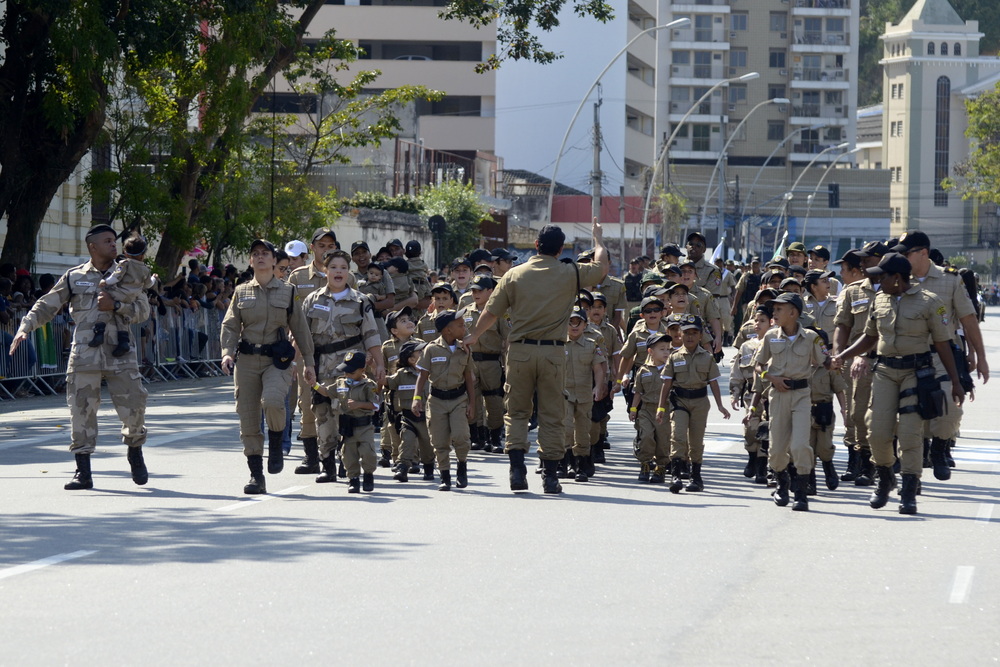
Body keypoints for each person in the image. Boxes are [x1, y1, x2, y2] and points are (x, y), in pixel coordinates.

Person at [464, 220, 609, 494]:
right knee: (552, 414)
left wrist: (473, 336)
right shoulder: (570, 273)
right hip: (554, 352)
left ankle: (517, 470)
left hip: (519, 352)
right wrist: (598, 240)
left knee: (517, 412)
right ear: (560, 249)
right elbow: (602, 267)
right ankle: (551, 477)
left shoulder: (514, 274)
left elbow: (491, 312)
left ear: (536, 246)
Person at [11, 224, 152, 490]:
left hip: (121, 354)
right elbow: (48, 304)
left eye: (114, 241)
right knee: (81, 412)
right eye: (108, 241)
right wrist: (25, 326)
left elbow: (143, 311)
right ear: (93, 247)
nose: (114, 245)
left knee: (134, 407)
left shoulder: (128, 272)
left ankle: (135, 452)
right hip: (85, 355)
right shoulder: (75, 276)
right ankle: (83, 471)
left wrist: (117, 306)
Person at [831, 253, 965, 515]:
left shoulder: (929, 302)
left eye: (883, 276)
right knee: (877, 431)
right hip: (885, 372)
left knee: (910, 433)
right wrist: (842, 356)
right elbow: (869, 337)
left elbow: (943, 344)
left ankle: (909, 487)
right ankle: (884, 477)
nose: (878, 280)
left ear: (897, 277)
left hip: (916, 373)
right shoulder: (880, 300)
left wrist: (956, 382)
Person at [220, 239, 315, 494]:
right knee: (248, 419)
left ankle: (275, 444)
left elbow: (300, 328)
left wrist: (309, 362)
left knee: (273, 401)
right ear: (251, 261)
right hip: (248, 360)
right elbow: (229, 325)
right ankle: (256, 476)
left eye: (266, 254)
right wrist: (227, 353)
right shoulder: (241, 291)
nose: (260, 257)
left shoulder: (287, 291)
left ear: (274, 261)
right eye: (255, 254)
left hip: (277, 360)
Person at [892, 231, 989, 477]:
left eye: (907, 252)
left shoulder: (950, 280)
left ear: (923, 253)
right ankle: (914, 465)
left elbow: (968, 319)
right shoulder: (899, 279)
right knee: (911, 415)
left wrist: (980, 357)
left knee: (950, 408)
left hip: (943, 355)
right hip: (909, 355)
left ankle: (940, 447)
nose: (902, 257)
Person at [303, 249, 384, 484]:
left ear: (348, 272)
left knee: (347, 415)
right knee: (323, 416)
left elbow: (371, 335)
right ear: (325, 271)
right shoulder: (313, 299)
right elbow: (302, 336)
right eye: (334, 267)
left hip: (351, 369)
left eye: (343, 268)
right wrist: (300, 364)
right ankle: (327, 464)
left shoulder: (360, 301)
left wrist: (379, 364)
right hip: (320, 368)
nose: (338, 272)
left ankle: (346, 462)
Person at [751, 292, 837, 511]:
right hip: (778, 396)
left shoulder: (811, 337)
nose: (774, 313)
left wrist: (835, 362)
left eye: (779, 309)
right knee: (777, 448)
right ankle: (781, 483)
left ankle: (801, 491)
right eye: (774, 309)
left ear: (793, 312)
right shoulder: (770, 337)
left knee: (800, 445)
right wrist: (770, 378)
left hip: (801, 396)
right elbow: (758, 366)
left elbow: (824, 360)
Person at [655, 314, 730, 493]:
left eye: (694, 333)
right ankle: (676, 476)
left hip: (699, 402)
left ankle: (696, 476)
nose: (690, 337)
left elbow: (713, 382)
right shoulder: (674, 357)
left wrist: (720, 405)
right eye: (686, 333)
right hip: (679, 401)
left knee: (696, 441)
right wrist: (660, 406)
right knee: (678, 436)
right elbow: (666, 383)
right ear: (680, 334)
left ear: (700, 335)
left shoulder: (707, 357)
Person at [287, 227, 339, 474]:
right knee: (307, 402)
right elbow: (288, 315)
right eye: (322, 246)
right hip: (308, 351)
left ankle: (337, 455)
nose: (326, 250)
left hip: (339, 352)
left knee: (339, 403)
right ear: (312, 248)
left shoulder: (344, 276)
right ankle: (311, 458)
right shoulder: (297, 278)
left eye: (331, 246)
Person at [832, 243, 885, 485]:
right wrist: (838, 355)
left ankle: (885, 461)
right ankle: (860, 462)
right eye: (860, 260)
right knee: (856, 413)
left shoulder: (895, 287)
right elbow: (842, 326)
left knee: (885, 414)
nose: (862, 264)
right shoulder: (852, 291)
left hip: (888, 361)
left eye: (867, 260)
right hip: (857, 363)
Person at [412, 309, 476, 491]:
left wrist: (472, 403)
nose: (464, 327)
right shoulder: (431, 349)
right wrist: (417, 398)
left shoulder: (465, 349)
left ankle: (462, 466)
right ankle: (445, 476)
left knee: (460, 436)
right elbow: (422, 376)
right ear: (448, 330)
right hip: (437, 400)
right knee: (439, 441)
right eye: (460, 325)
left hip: (458, 398)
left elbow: (468, 377)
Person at [316, 351, 380, 494]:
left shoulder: (369, 385)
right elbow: (327, 392)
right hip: (347, 426)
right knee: (348, 455)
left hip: (364, 426)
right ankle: (354, 480)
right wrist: (313, 385)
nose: (347, 375)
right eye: (345, 371)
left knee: (367, 452)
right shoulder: (340, 382)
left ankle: (368, 476)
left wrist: (359, 404)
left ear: (362, 370)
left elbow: (375, 405)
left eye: (351, 372)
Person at [94, 233, 156, 357]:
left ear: (125, 252)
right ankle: (123, 340)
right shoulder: (145, 269)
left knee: (104, 302)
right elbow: (149, 285)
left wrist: (104, 282)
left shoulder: (125, 263)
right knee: (120, 314)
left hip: (119, 292)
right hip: (131, 298)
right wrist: (154, 278)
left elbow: (116, 277)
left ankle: (99, 330)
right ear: (143, 255)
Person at [563, 306, 607, 482]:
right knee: (566, 428)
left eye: (578, 323)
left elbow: (598, 368)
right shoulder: (558, 344)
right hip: (564, 393)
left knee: (582, 431)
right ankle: (567, 463)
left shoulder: (591, 345)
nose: (574, 326)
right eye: (571, 322)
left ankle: (581, 466)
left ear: (585, 325)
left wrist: (598, 386)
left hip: (584, 394)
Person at [466, 274, 507, 453]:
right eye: (473, 290)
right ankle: (476, 436)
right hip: (471, 361)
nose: (476, 294)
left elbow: (508, 339)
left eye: (480, 290)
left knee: (494, 400)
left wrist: (508, 365)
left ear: (491, 291)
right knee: (472, 399)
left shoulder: (500, 313)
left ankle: (495, 436)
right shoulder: (465, 310)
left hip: (491, 362)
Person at [386, 340, 435, 482]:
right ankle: (402, 467)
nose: (424, 354)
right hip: (407, 417)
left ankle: (428, 468)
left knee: (427, 445)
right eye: (420, 352)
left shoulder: (431, 373)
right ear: (411, 359)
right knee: (407, 441)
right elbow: (388, 382)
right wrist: (375, 369)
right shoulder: (401, 374)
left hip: (426, 417)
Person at [630, 331, 672, 484]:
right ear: (651, 352)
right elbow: (638, 392)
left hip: (665, 411)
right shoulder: (643, 370)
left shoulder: (671, 369)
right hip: (646, 410)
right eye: (662, 349)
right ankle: (645, 464)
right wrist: (633, 409)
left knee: (663, 441)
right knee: (646, 436)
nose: (666, 352)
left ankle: (661, 467)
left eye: (668, 348)